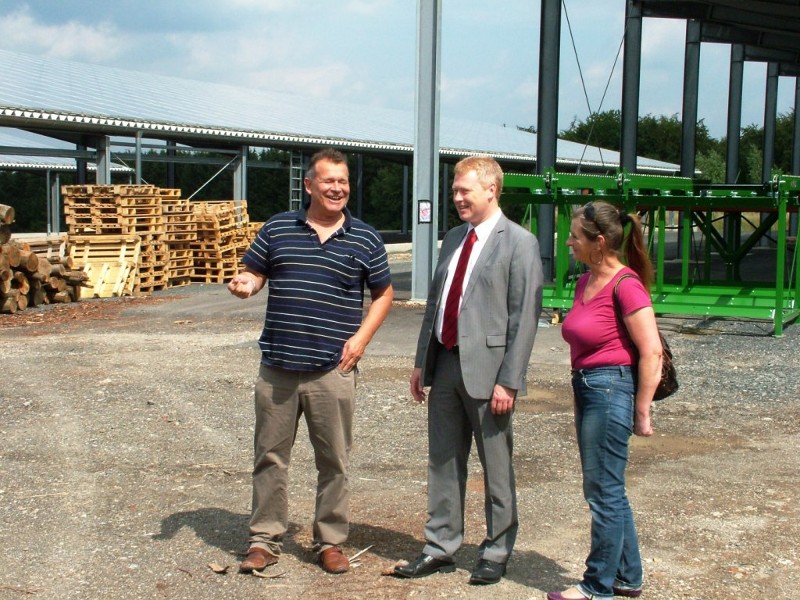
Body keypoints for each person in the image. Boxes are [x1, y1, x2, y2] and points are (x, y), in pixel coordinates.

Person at [228, 148, 394, 575]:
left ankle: (331, 541)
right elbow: (255, 270)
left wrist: (361, 339)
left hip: (331, 370)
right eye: (328, 181)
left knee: (334, 460)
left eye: (343, 181)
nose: (337, 188)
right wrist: (247, 282)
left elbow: (383, 295)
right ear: (309, 185)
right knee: (269, 457)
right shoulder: (279, 228)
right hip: (278, 368)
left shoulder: (365, 238)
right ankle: (264, 539)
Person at [394, 155, 543, 585]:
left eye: (464, 191)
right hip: (445, 364)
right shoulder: (453, 238)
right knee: (442, 461)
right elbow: (436, 304)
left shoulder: (519, 243)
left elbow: (524, 318)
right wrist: (422, 362)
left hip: (490, 374)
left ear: (491, 190)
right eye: (455, 190)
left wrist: (509, 380)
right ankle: (440, 545)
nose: (457, 197)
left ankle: (496, 550)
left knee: (496, 467)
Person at [547, 201, 661, 600]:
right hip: (588, 387)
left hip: (611, 390)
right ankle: (628, 576)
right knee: (609, 487)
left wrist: (641, 409)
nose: (568, 242)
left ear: (598, 242)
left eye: (575, 237)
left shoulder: (625, 285)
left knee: (602, 491)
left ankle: (597, 585)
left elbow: (652, 351)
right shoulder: (584, 282)